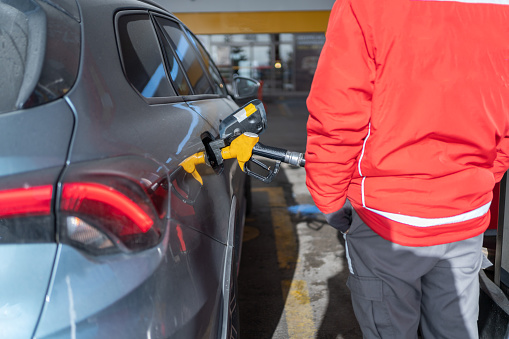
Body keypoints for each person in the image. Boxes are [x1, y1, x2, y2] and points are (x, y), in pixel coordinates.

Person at [305, 0, 509, 338]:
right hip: (465, 212)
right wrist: (487, 177)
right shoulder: (500, 6)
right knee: (455, 330)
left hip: (386, 218)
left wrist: (329, 200)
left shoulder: (364, 6)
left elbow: (337, 116)